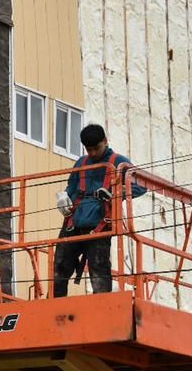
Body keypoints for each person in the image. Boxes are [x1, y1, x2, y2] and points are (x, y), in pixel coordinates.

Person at [53, 124, 143, 297]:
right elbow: (72, 186)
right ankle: (56, 304)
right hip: (74, 223)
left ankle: (102, 305)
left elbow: (140, 185)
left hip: (101, 223)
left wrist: (116, 193)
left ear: (105, 142)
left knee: (98, 267)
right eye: (89, 149)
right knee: (60, 266)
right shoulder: (82, 162)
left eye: (97, 148)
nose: (93, 153)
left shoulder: (118, 162)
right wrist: (64, 198)